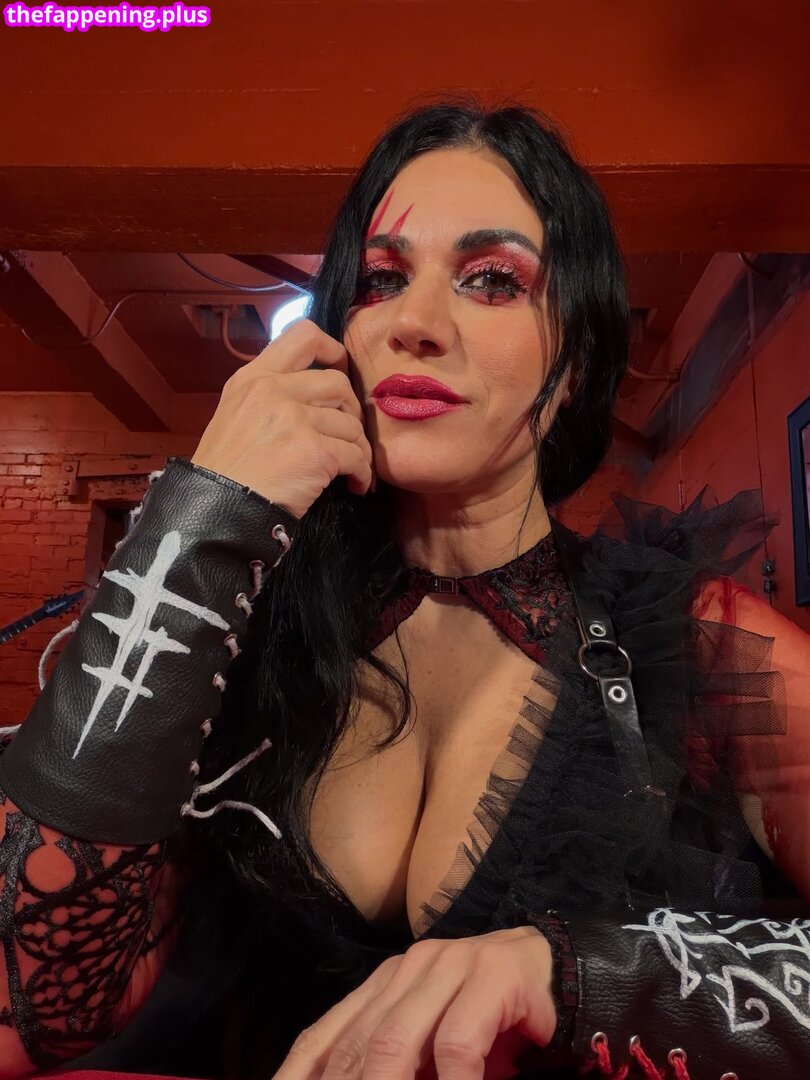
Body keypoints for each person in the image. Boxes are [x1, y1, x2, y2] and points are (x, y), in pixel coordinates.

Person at [0, 96, 809, 1080]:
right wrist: (197, 526)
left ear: (577, 361)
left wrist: (585, 979)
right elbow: (30, 1008)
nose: (414, 324)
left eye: (491, 280)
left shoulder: (700, 643)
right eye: (381, 280)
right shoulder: (245, 629)